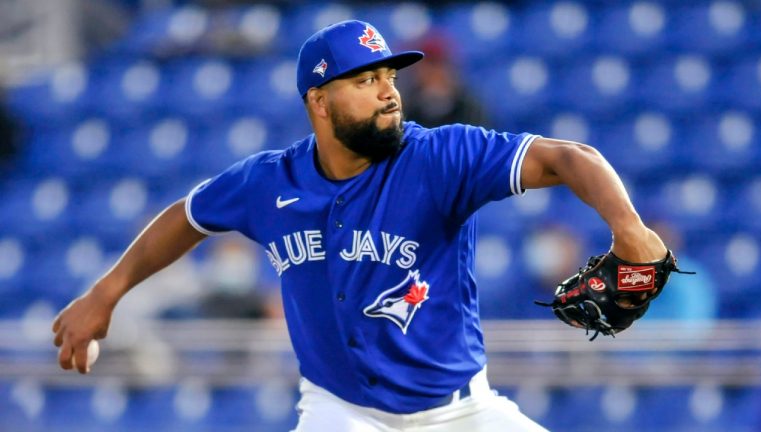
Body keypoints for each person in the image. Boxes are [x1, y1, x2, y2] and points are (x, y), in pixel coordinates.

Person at [52, 20, 668, 431]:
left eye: (390, 77)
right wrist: (105, 294)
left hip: (461, 415)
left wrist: (630, 234)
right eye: (365, 80)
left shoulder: (439, 156)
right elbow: (185, 218)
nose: (388, 93)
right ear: (319, 101)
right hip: (340, 414)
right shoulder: (268, 182)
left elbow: (570, 159)